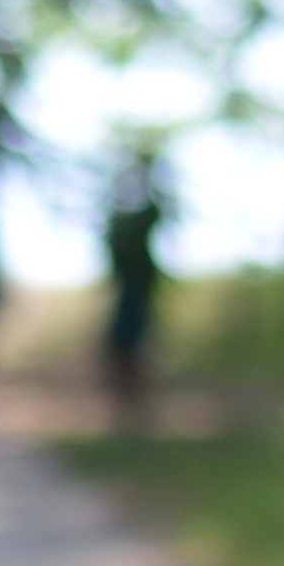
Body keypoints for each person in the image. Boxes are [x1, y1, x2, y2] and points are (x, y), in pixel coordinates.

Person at [102, 150, 169, 426]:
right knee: (125, 359)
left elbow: (154, 212)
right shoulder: (124, 236)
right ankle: (127, 419)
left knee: (137, 359)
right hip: (127, 310)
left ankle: (138, 419)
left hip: (137, 309)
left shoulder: (135, 231)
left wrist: (144, 175)